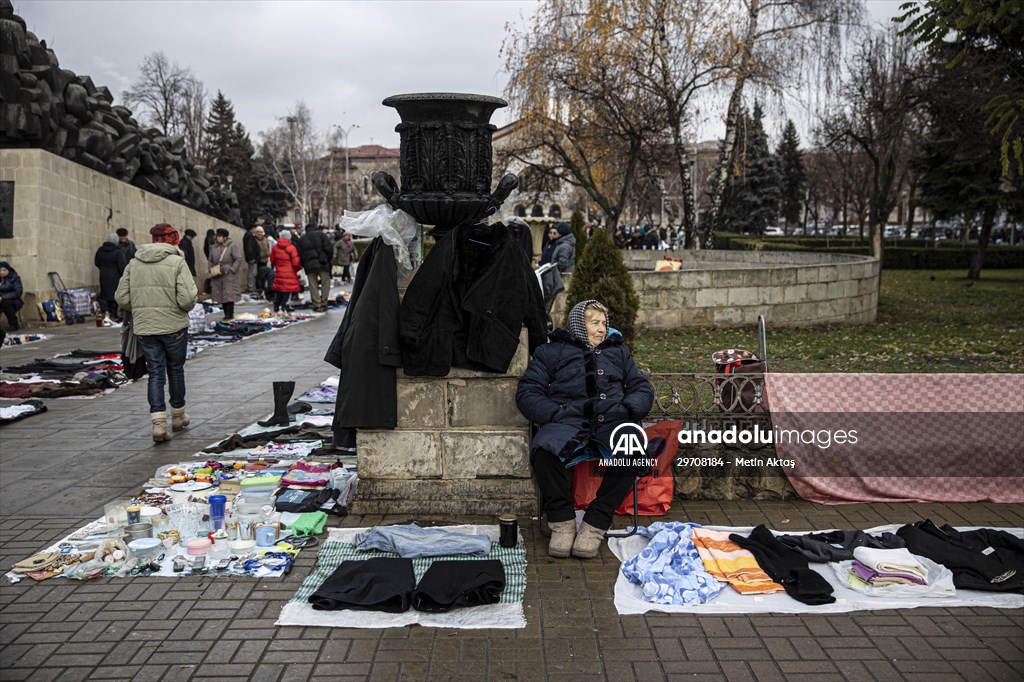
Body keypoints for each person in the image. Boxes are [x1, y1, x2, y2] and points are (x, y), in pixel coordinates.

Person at [516, 300, 653, 559]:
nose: (602, 329)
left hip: (613, 419)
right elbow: (528, 390)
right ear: (580, 325)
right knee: (544, 451)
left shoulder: (618, 352)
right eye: (595, 323)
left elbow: (639, 386)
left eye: (604, 323)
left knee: (633, 451)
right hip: (567, 420)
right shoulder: (551, 352)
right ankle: (562, 522)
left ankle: (595, 524)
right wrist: (554, 413)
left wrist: (629, 409)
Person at [114, 225, 197, 442]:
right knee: (176, 370)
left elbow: (122, 298)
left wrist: (142, 308)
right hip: (174, 327)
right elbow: (187, 299)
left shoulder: (134, 263)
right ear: (172, 241)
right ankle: (178, 416)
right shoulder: (178, 262)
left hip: (145, 328)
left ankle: (159, 424)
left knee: (156, 373)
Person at [208, 228, 242, 320]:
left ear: (225, 237)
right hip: (217, 274)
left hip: (229, 274)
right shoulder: (213, 247)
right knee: (221, 295)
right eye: (217, 236)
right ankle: (226, 313)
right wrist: (211, 269)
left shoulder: (232, 246)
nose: (217, 238)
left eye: (219, 236)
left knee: (229, 295)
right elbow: (210, 260)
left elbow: (238, 259)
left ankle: (229, 314)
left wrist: (232, 269)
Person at [298, 223, 334, 312]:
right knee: (326, 283)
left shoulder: (302, 239)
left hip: (309, 265)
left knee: (313, 284)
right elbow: (329, 248)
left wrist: (304, 264)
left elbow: (300, 254)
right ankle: (324, 302)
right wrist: (328, 259)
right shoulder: (322, 235)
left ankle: (317, 304)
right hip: (323, 263)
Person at [94, 234, 127, 322]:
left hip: (103, 275)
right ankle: (114, 314)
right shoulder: (118, 251)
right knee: (114, 294)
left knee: (104, 293)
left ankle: (106, 312)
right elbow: (122, 265)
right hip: (115, 276)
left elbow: (96, 262)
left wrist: (103, 269)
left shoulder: (101, 250)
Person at [269, 228, 302, 314]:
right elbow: (296, 262)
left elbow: (272, 260)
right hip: (290, 271)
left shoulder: (275, 247)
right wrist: (297, 268)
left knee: (279, 288)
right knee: (287, 289)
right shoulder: (291, 248)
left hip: (279, 270)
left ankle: (276, 305)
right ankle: (284, 306)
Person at [0, 261, 25, 332]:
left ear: (8, 270)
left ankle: (13, 324)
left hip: (14, 300)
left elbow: (18, 292)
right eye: (0, 270)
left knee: (6, 304)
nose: (2, 272)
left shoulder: (14, 278)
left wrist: (2, 297)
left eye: (4, 270)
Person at [253, 225, 274, 299]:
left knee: (264, 275)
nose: (260, 234)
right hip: (258, 260)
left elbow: (268, 247)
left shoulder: (266, 240)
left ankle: (263, 287)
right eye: (258, 233)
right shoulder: (254, 240)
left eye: (261, 233)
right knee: (258, 275)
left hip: (265, 259)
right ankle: (259, 288)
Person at [242, 225, 260, 294]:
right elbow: (249, 248)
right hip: (252, 258)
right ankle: (251, 287)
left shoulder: (249, 235)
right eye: (255, 228)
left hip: (252, 258)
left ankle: (251, 287)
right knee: (252, 273)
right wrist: (251, 258)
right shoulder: (249, 236)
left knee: (252, 272)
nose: (256, 229)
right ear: (252, 228)